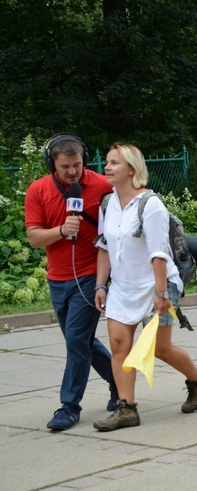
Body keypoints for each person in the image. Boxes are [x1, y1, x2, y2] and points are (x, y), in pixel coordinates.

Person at [92, 143, 197, 431]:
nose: (106, 168)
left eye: (113, 163)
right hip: (122, 287)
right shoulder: (108, 204)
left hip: (156, 285)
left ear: (131, 170)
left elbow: (159, 253)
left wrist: (161, 294)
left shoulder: (151, 205)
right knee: (119, 345)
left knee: (160, 348)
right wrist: (101, 285)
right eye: (107, 163)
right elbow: (104, 247)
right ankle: (126, 409)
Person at [25, 133, 119, 431]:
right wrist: (62, 230)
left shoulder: (103, 186)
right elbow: (34, 237)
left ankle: (69, 406)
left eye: (77, 165)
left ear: (85, 160)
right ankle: (120, 384)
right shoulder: (38, 190)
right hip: (58, 278)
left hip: (92, 275)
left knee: (77, 339)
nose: (72, 172)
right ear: (52, 163)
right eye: (65, 166)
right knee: (82, 341)